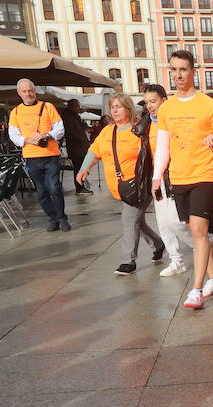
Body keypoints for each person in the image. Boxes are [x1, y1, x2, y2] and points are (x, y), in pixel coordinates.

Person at [151, 50, 213, 310]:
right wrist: (156, 176)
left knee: (198, 231)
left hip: (205, 174)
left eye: (183, 69)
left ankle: (196, 290)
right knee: (198, 233)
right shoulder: (167, 108)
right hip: (179, 177)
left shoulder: (209, 105)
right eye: (173, 70)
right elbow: (163, 146)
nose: (178, 75)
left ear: (193, 71)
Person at [76, 94, 163, 274]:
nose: (115, 110)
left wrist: (157, 179)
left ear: (128, 109)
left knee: (129, 220)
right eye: (113, 107)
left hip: (138, 185)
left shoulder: (139, 130)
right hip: (119, 188)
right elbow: (94, 151)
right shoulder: (108, 131)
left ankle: (128, 261)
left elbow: (155, 154)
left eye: (119, 106)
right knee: (137, 221)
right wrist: (84, 168)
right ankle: (158, 244)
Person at [8, 78, 70, 232]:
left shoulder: (48, 107)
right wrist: (28, 139)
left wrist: (45, 135)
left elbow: (60, 129)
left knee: (54, 187)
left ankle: (62, 218)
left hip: (50, 154)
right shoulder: (15, 112)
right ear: (19, 93)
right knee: (41, 191)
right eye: (25, 91)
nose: (28, 93)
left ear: (35, 91)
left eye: (30, 90)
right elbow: (13, 135)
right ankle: (52, 218)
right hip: (31, 156)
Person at [142, 83, 189, 277]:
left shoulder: (174, 120)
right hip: (157, 177)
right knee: (163, 222)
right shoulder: (144, 124)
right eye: (146, 103)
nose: (150, 106)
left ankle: (202, 245)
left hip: (176, 175)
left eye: (153, 101)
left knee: (177, 221)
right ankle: (176, 260)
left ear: (164, 100)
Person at [61, 99, 94, 195]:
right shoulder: (68, 118)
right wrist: (82, 140)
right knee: (79, 168)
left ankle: (81, 186)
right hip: (76, 148)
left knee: (81, 167)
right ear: (71, 106)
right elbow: (71, 132)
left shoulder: (75, 117)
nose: (79, 108)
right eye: (77, 106)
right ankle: (80, 187)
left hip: (80, 147)